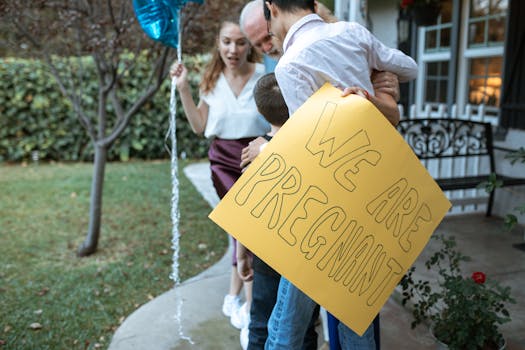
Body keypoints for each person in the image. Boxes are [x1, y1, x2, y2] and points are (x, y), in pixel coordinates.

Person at [238, 1, 405, 349]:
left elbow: (316, 148)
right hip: (309, 200)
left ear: (275, 13)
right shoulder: (312, 49)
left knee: (307, 316)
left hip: (335, 199)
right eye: (258, 45)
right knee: (288, 312)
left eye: (266, 36)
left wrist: (384, 94)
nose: (267, 46)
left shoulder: (321, 48)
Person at [170, 17, 270, 332]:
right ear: (218, 43)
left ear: (250, 45)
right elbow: (199, 126)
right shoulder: (210, 80)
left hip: (258, 159)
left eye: (241, 42)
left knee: (245, 231)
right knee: (247, 229)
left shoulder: (265, 77)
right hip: (224, 162)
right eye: (227, 41)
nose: (233, 49)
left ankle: (233, 297)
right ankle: (252, 313)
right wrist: (183, 88)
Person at [236, 72, 321, 350]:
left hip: (266, 254)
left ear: (260, 111)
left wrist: (241, 254)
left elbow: (247, 211)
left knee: (260, 324)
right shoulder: (312, 150)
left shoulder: (253, 151)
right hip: (306, 255)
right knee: (305, 327)